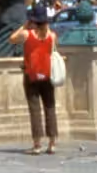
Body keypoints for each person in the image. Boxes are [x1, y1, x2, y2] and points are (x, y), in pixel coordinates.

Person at [9, 8, 59, 154]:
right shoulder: (52, 36)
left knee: (35, 109)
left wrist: (24, 25)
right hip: (47, 75)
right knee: (50, 107)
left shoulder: (27, 34)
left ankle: (37, 144)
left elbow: (11, 39)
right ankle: (52, 143)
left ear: (33, 21)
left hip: (31, 75)